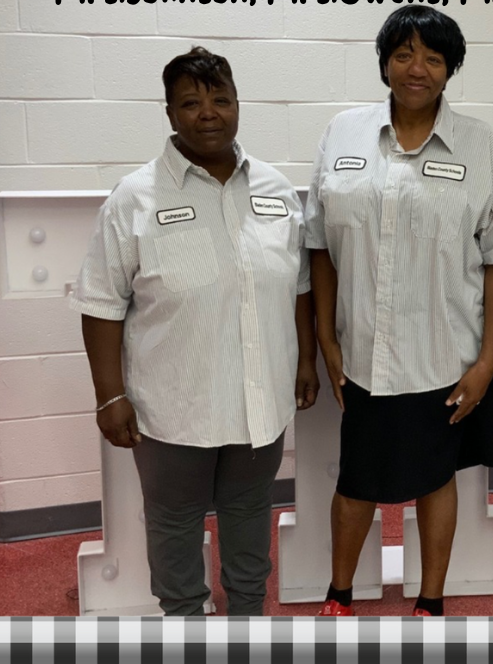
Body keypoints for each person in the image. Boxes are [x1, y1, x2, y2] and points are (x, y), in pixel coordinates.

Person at [71, 47, 318, 616]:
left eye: (221, 100)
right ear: (169, 113)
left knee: (249, 512)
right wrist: (109, 395)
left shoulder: (276, 189)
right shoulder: (135, 198)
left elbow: (300, 285)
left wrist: (305, 360)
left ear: (238, 105)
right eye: (190, 103)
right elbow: (101, 301)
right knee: (175, 521)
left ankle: (247, 616)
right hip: (173, 406)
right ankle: (183, 620)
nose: (209, 113)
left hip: (260, 399)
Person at [305, 5, 493, 617]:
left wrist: (487, 360)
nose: (417, 68)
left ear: (450, 68)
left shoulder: (478, 144)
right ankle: (339, 593)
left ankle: (431, 600)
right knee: (356, 481)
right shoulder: (343, 133)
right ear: (384, 63)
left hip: (444, 353)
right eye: (403, 54)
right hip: (363, 352)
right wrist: (326, 339)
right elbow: (319, 244)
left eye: (433, 57)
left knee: (436, 478)